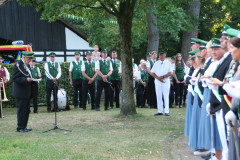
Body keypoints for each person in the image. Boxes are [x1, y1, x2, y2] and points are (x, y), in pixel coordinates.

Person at [12, 51, 34, 132]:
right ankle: (20, 127)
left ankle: (24, 126)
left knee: (26, 110)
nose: (30, 61)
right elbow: (15, 78)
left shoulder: (26, 65)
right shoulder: (18, 65)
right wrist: (25, 79)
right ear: (24, 57)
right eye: (29, 59)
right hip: (20, 92)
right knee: (22, 109)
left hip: (26, 91)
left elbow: (28, 75)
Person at [151, 51, 172, 116]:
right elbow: (152, 72)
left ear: (165, 56)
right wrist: (158, 78)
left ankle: (166, 111)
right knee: (159, 95)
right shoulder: (156, 63)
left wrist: (163, 77)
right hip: (158, 81)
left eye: (162, 55)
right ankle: (160, 110)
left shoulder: (168, 63)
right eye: (160, 55)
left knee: (166, 95)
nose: (161, 57)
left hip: (165, 81)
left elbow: (170, 73)